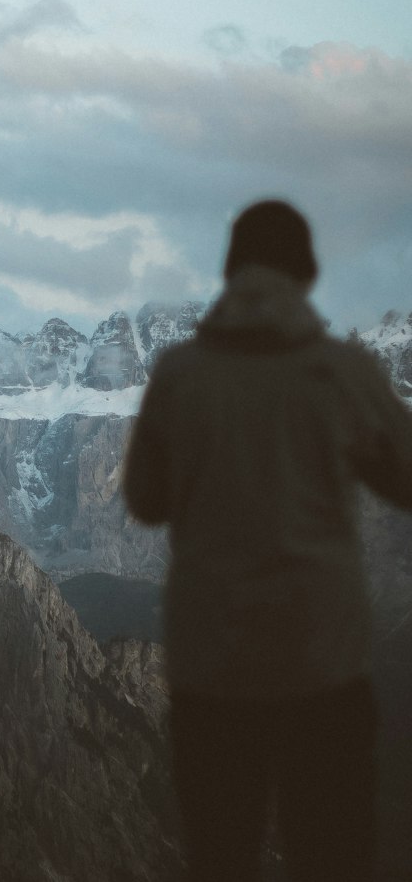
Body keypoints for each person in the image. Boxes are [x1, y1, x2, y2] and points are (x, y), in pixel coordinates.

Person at [124, 199, 412, 882]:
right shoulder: (343, 370)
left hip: (212, 672)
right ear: (306, 273)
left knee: (222, 859)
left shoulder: (179, 373)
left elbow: (145, 500)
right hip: (324, 668)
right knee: (332, 857)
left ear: (229, 271)